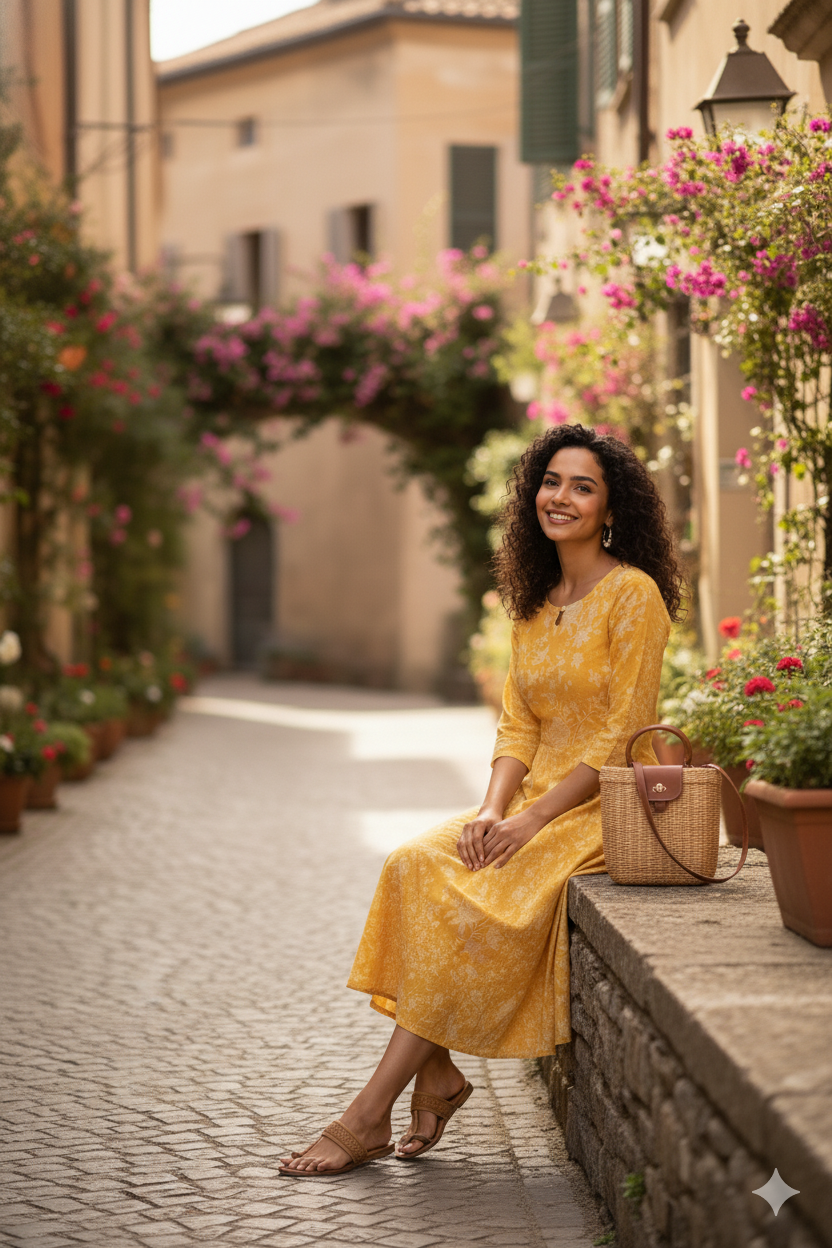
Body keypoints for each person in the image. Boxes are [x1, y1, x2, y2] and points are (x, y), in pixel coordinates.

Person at [279, 423, 684, 1177]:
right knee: (412, 863)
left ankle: (367, 1115)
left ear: (611, 508)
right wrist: (494, 808)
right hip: (528, 799)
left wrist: (533, 820)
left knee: (474, 902)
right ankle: (435, 1075)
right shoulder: (534, 600)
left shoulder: (634, 597)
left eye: (583, 486)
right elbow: (518, 721)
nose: (560, 497)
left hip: (597, 810)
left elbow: (622, 732)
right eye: (552, 481)